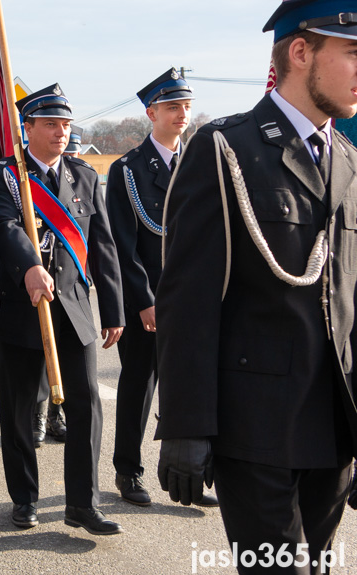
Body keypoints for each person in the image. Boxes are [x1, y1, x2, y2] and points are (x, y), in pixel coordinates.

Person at [155, 2, 357, 573]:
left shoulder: (348, 159)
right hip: (255, 430)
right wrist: (185, 426)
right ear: (300, 52)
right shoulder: (226, 150)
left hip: (334, 432)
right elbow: (188, 302)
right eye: (353, 53)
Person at [0, 83, 125, 535]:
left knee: (86, 405)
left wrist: (115, 307)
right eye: (51, 124)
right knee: (20, 409)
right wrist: (29, 265)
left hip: (75, 309)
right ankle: (24, 497)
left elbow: (101, 243)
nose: (61, 132)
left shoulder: (84, 175)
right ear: (28, 128)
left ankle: (82, 503)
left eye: (65, 124)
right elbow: (3, 225)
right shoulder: (4, 175)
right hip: (22, 311)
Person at [105, 68, 217, 509]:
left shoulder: (200, 164)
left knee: (193, 389)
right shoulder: (127, 170)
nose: (181, 114)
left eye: (186, 106)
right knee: (138, 388)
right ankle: (127, 471)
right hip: (147, 304)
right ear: (151, 113)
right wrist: (144, 302)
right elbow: (122, 246)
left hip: (194, 304)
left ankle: (189, 475)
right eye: (172, 107)